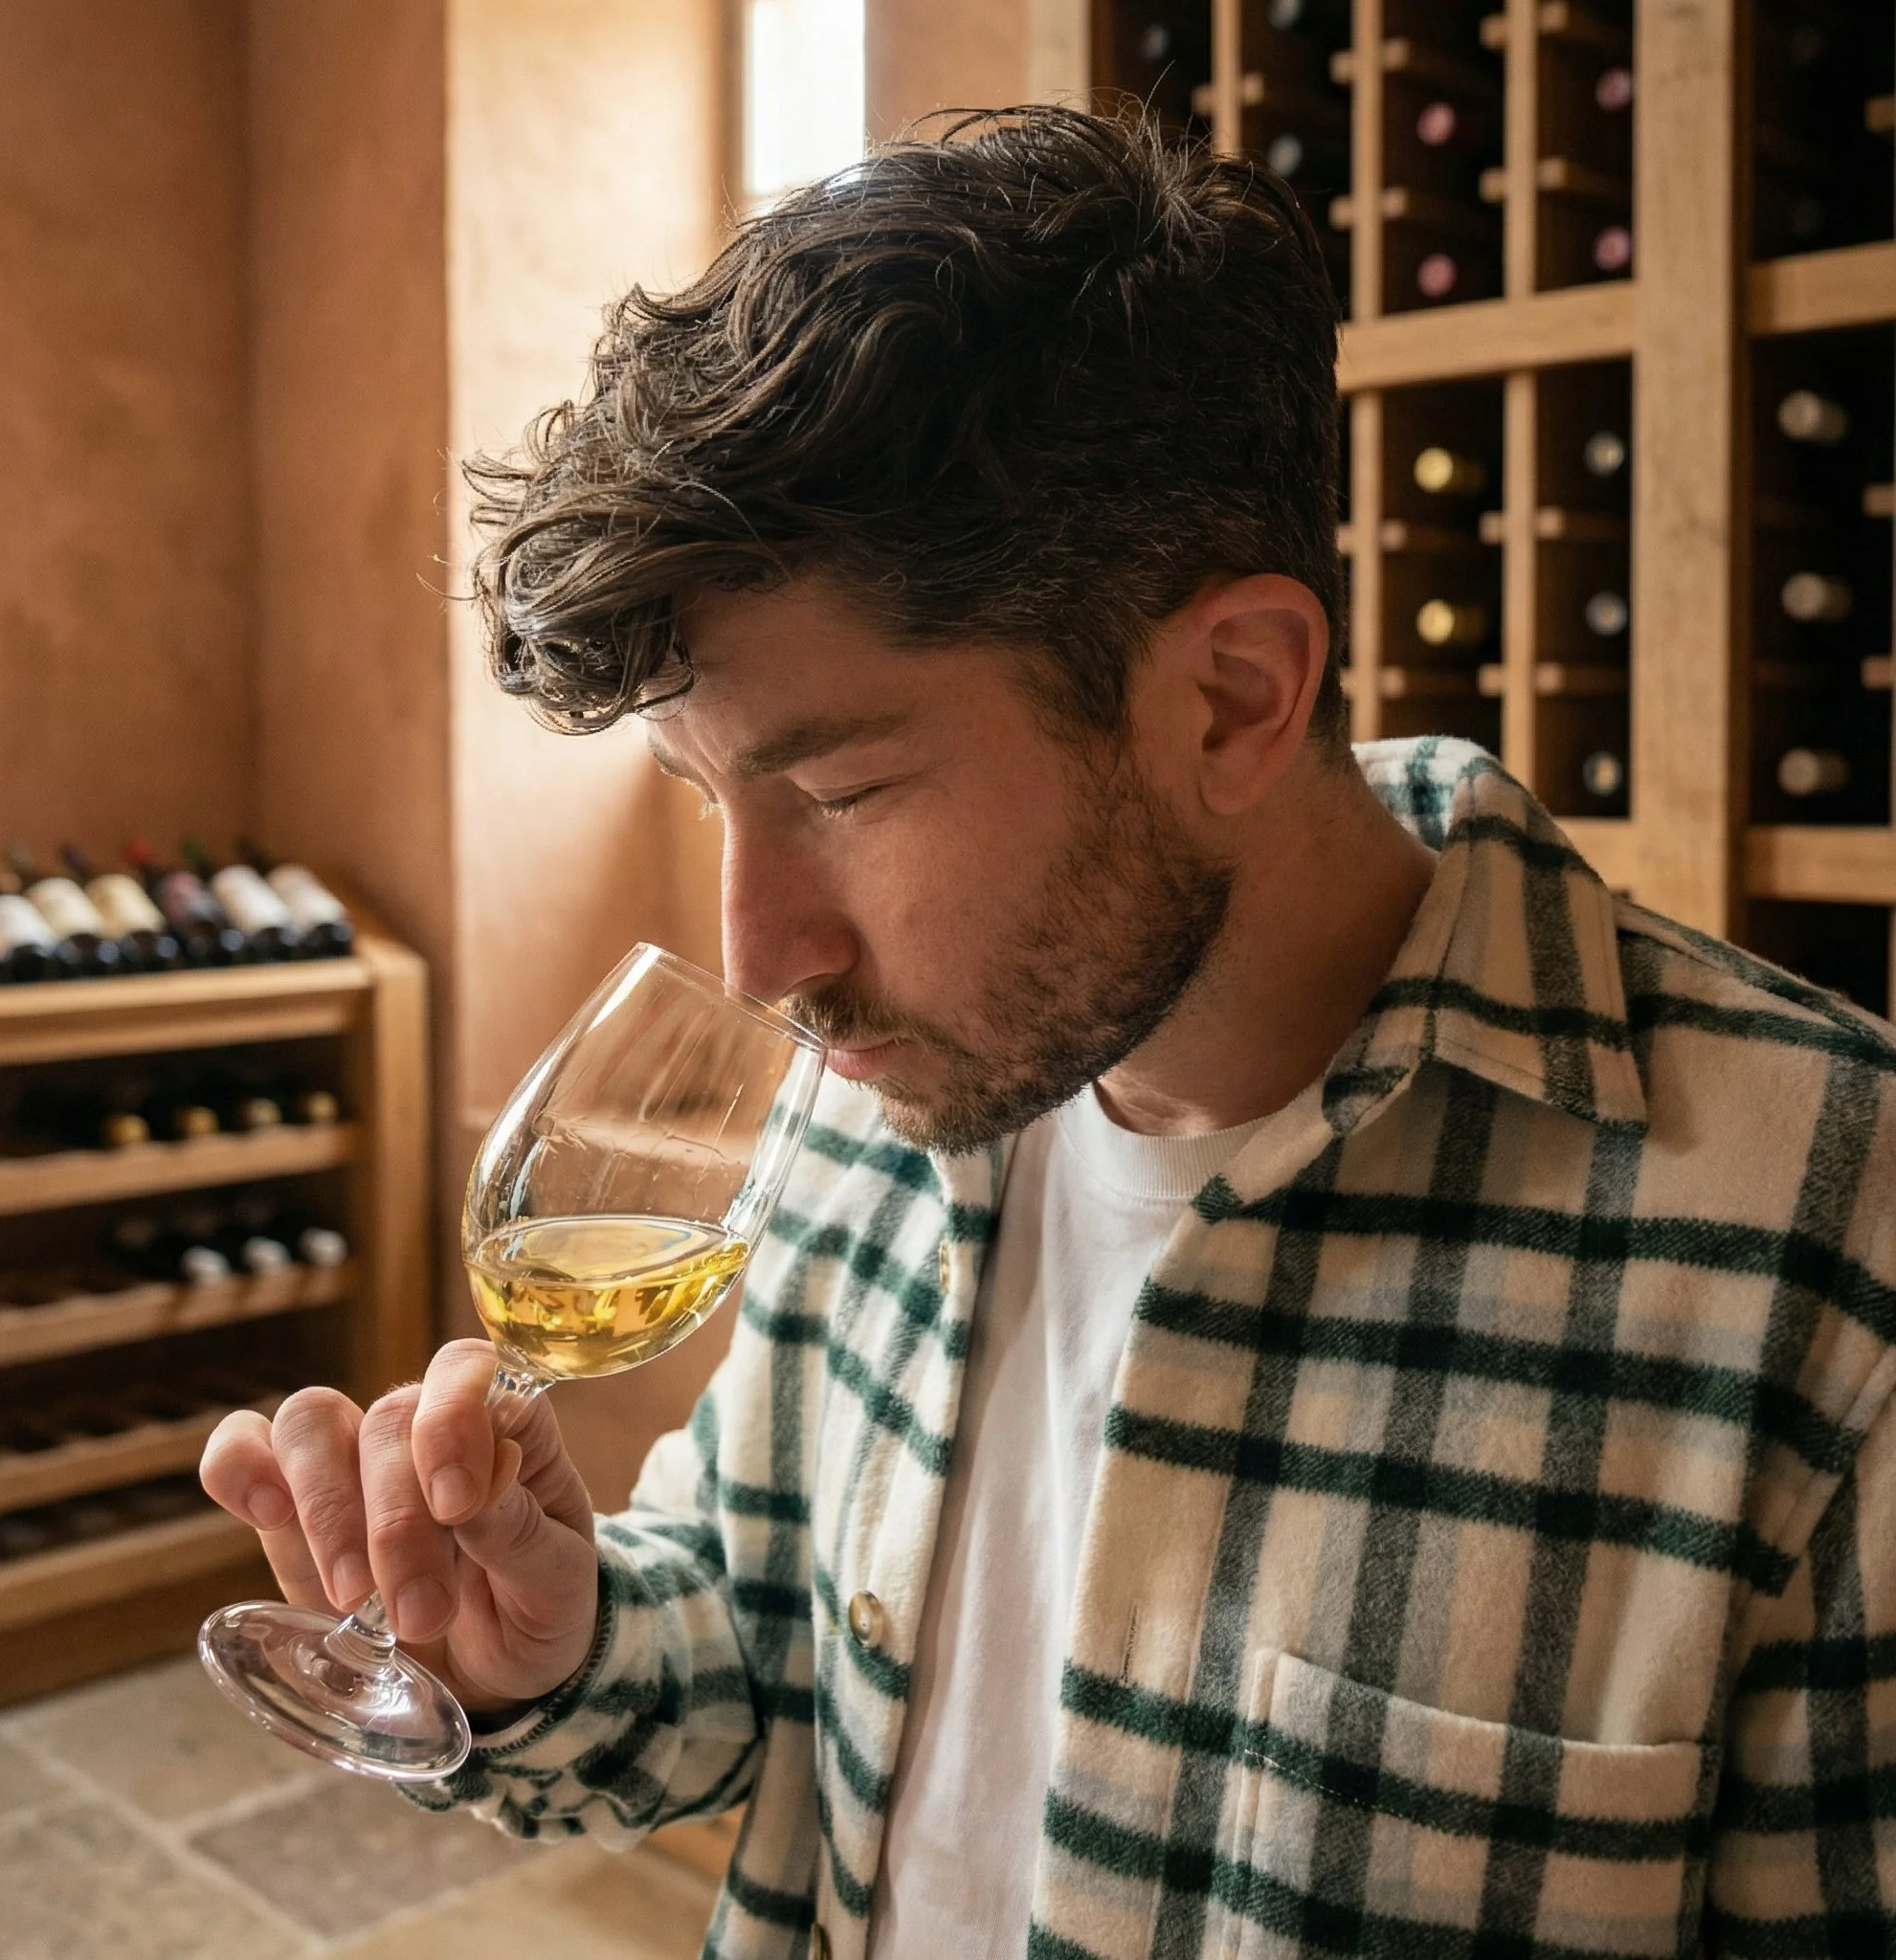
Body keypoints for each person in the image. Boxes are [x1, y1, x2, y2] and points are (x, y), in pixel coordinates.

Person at [201, 107, 1896, 1959]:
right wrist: (561, 1642)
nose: (761, 957)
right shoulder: (892, 1087)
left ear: (1235, 698)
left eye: (843, 790)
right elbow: (771, 1654)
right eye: (705, 802)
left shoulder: (1830, 1250)